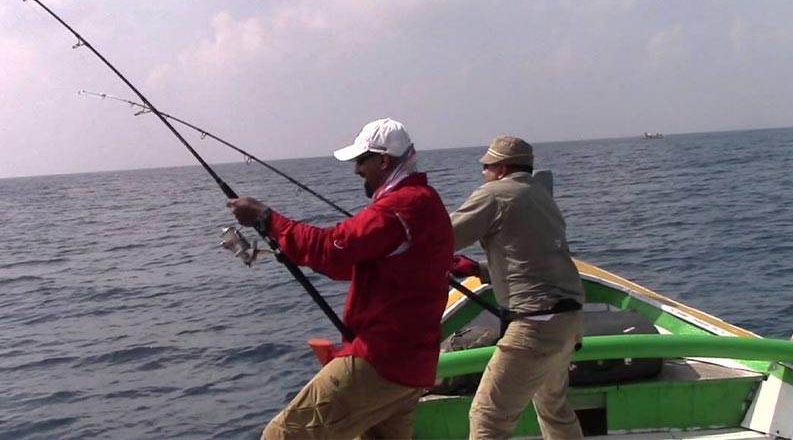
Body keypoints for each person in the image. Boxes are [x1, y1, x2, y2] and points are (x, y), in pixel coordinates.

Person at [227, 118, 453, 440]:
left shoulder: (398, 208)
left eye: (361, 161)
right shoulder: (427, 202)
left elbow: (332, 249)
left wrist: (266, 218)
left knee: (282, 435)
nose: (357, 170)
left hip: (381, 360)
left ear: (383, 160)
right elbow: (347, 265)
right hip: (413, 366)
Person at [449, 135, 585, 440]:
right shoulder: (541, 196)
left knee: (487, 416)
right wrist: (478, 270)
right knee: (554, 409)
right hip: (569, 320)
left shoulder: (495, 194)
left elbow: (441, 238)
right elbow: (533, 258)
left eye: (485, 166)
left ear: (500, 168)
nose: (483, 172)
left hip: (535, 325)